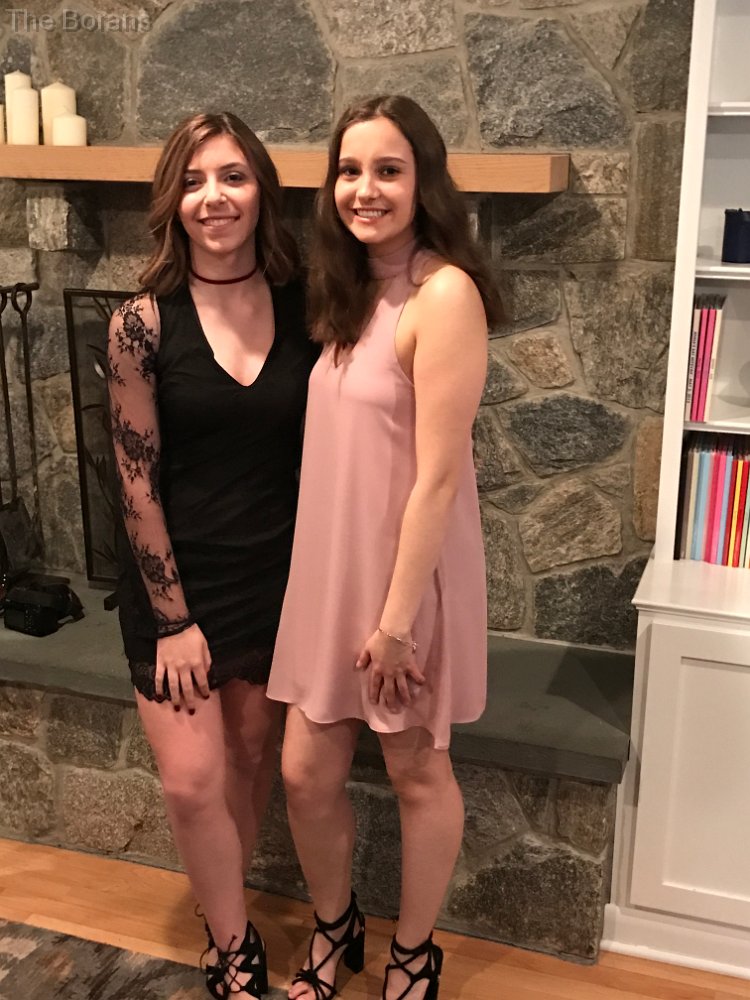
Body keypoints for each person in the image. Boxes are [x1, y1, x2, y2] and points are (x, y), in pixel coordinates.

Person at [267, 95, 502, 1000]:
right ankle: (336, 927)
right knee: (304, 772)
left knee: (416, 771)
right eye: (350, 170)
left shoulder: (445, 295)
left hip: (406, 586)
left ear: (424, 181)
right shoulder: (348, 290)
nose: (364, 188)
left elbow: (437, 479)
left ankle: (413, 952)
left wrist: (397, 625)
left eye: (389, 170)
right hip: (331, 575)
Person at [107, 111, 316, 1000]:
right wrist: (173, 620)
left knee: (251, 756)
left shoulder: (309, 307)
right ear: (172, 203)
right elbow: (135, 481)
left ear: (261, 189)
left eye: (232, 176)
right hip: (178, 587)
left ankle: (223, 913)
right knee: (194, 783)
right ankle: (233, 949)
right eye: (193, 182)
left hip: (274, 581)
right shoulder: (140, 323)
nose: (213, 197)